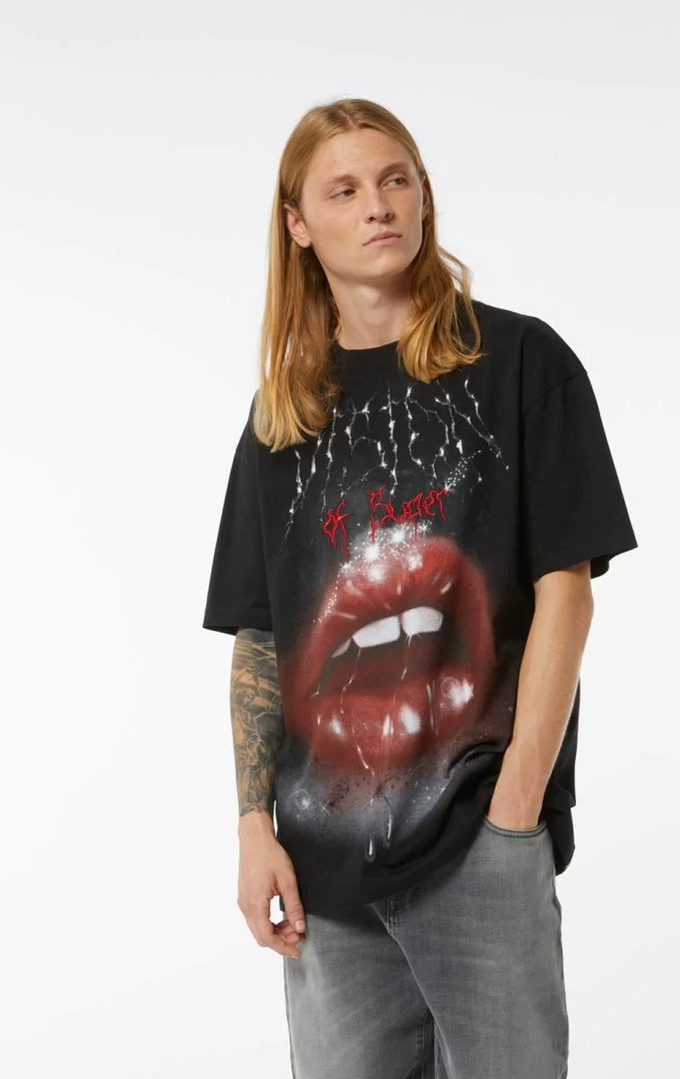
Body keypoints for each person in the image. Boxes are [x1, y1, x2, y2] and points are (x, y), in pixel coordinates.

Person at [202, 97, 638, 1079]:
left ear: (424, 196)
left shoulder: (519, 364)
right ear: (297, 224)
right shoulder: (282, 420)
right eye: (344, 190)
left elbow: (566, 589)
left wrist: (518, 801)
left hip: (482, 837)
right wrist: (253, 824)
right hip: (322, 868)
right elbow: (261, 639)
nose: (378, 205)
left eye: (395, 179)